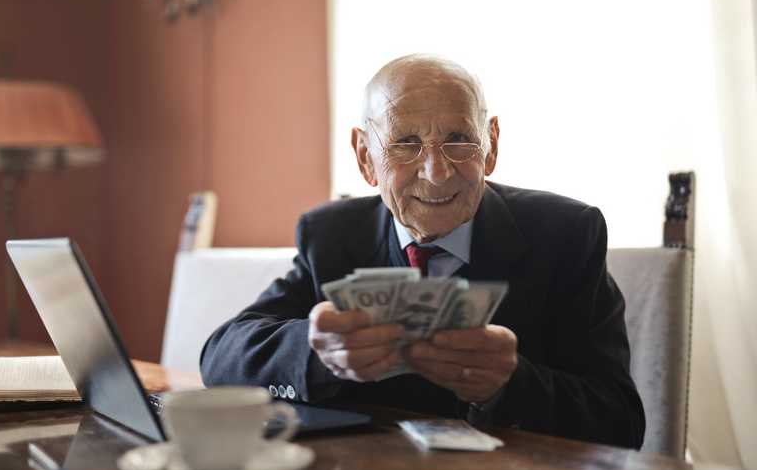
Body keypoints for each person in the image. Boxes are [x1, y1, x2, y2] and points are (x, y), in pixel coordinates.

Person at [201, 54, 645, 449]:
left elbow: (621, 422)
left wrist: (509, 385)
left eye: (458, 139)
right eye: (406, 144)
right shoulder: (332, 235)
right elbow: (221, 357)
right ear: (364, 157)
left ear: (490, 145)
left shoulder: (566, 234)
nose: (435, 172)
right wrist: (317, 353)